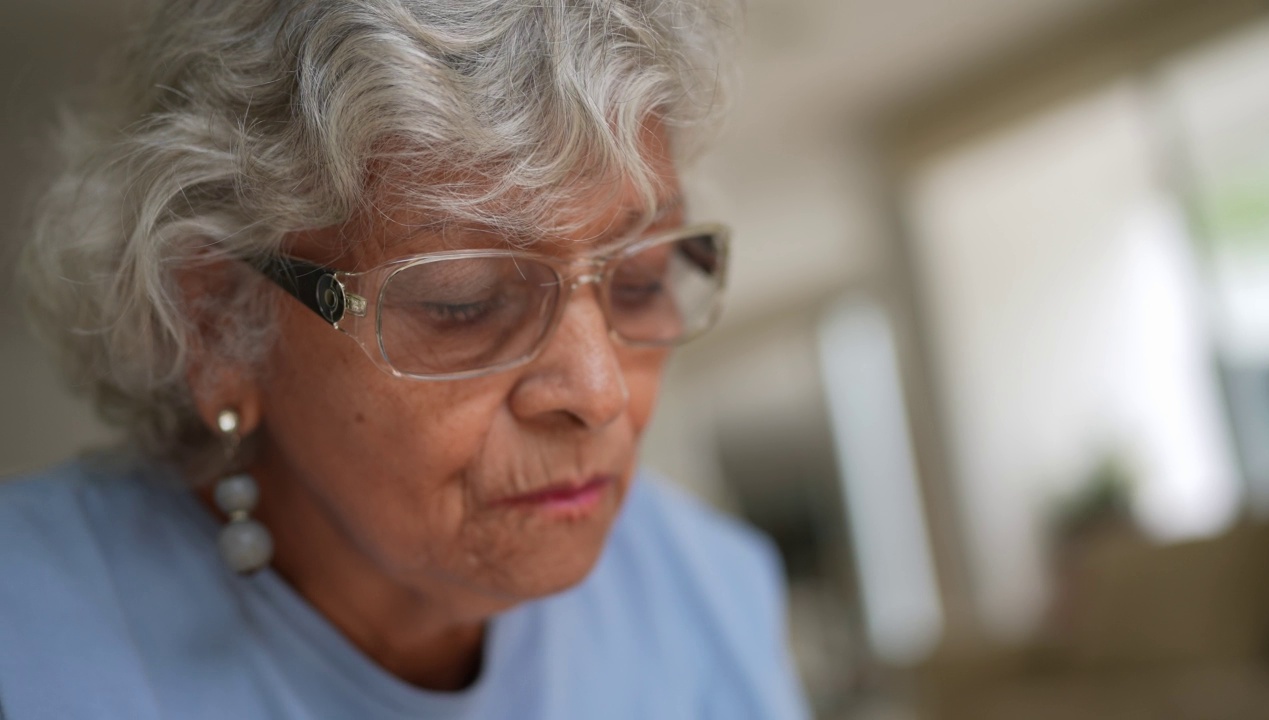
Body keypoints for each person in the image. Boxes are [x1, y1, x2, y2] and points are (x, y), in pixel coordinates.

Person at [0, 1, 809, 718]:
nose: (599, 394)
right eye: (465, 300)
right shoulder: (28, 635)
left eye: (637, 280)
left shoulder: (715, 593)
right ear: (214, 320)